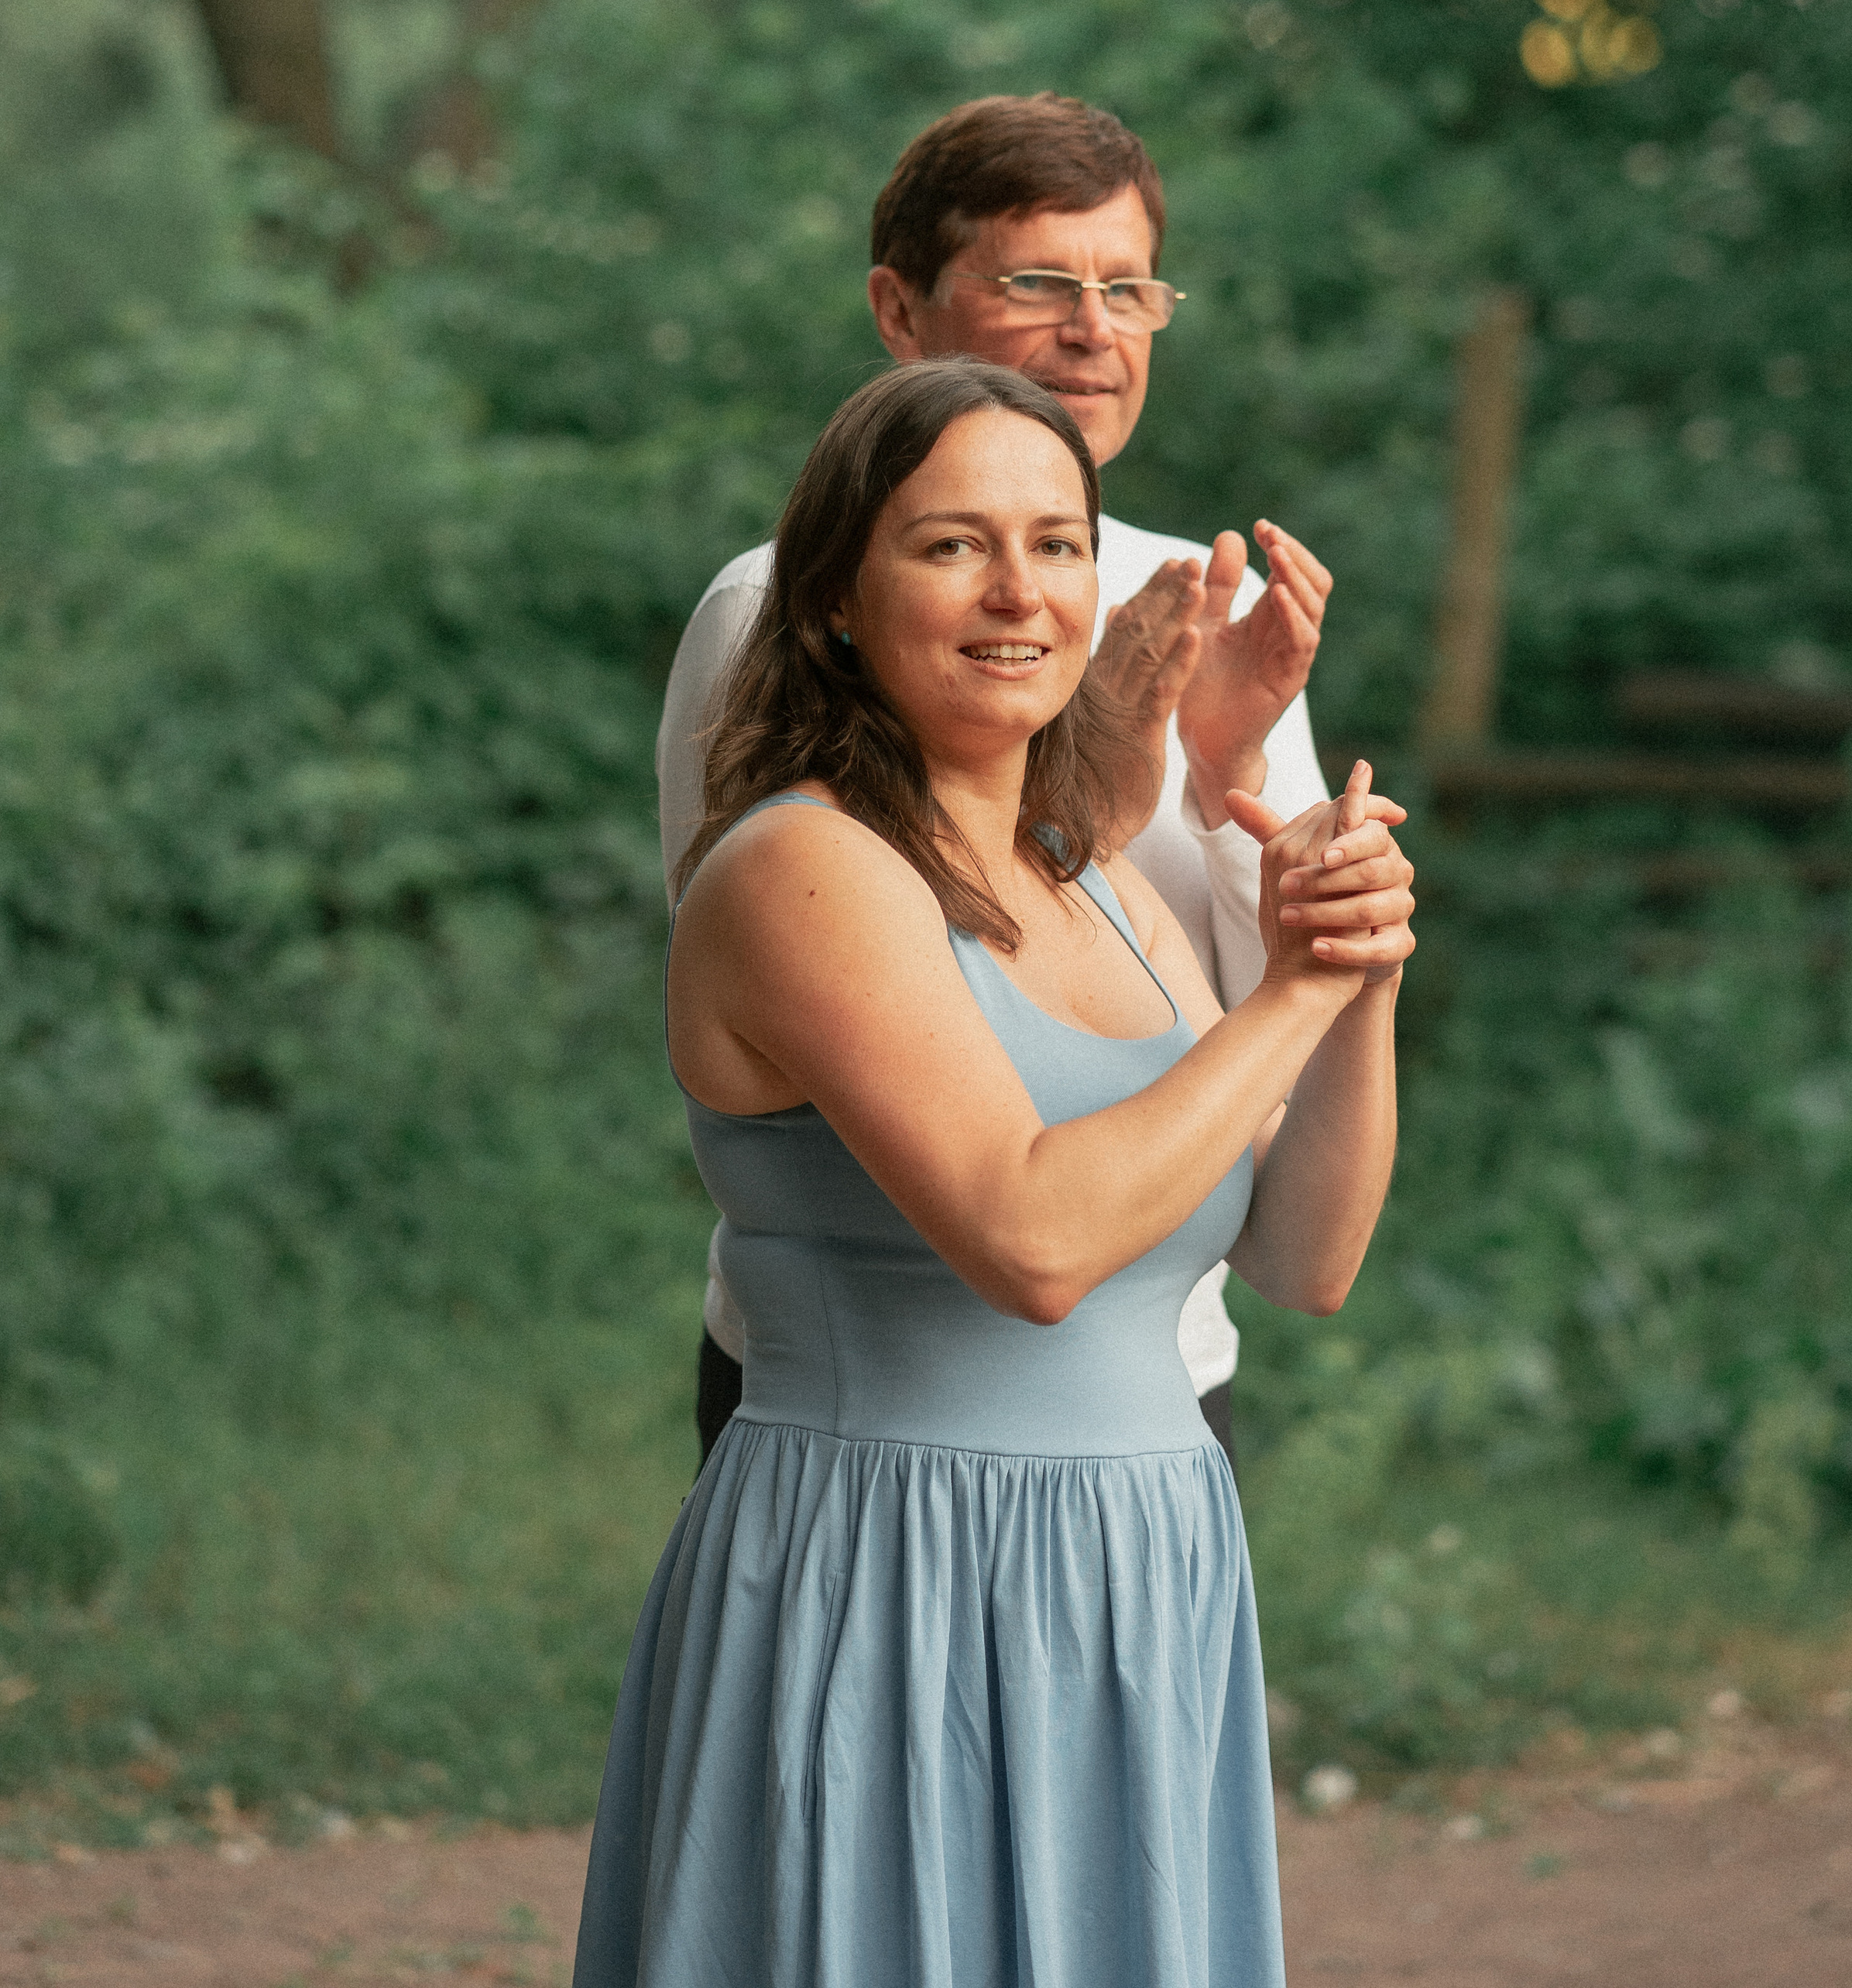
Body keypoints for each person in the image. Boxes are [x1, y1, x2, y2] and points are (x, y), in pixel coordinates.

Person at [575, 358, 1413, 1988]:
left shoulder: (1099, 881)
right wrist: (1291, 991)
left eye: (1054, 544)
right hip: (884, 1576)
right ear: (831, 594)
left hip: (1136, 1578)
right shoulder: (797, 865)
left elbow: (1306, 1252)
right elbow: (1031, 1241)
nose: (1018, 591)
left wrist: (1358, 967)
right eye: (949, 545)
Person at [659, 93, 1333, 1464]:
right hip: (890, 1376)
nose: (1094, 328)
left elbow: (1274, 1054)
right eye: (1038, 281)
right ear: (900, 313)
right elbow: (833, 977)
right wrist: (1120, 760)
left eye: (1130, 286)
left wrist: (1227, 775)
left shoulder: (1218, 600)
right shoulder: (773, 608)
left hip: (1160, 1354)